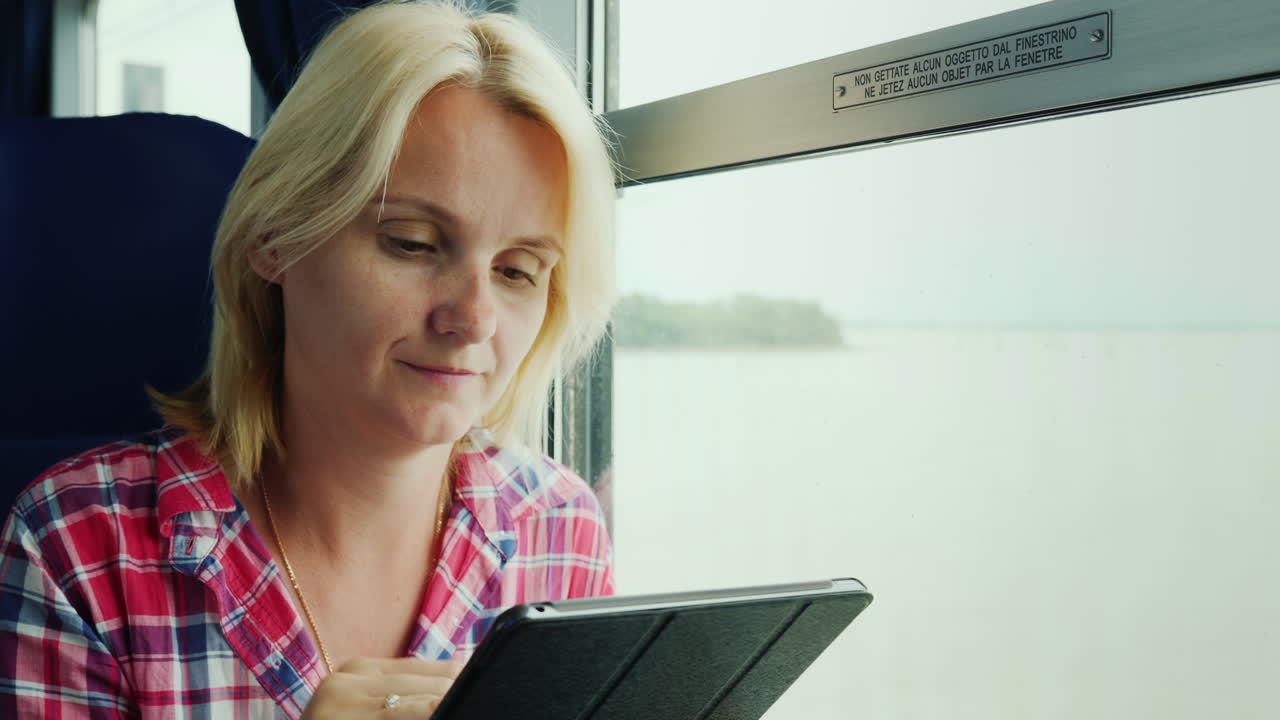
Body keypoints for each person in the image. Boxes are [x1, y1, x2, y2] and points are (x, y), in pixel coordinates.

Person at [0, 1, 617, 716]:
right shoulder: (78, 545)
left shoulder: (561, 528)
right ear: (277, 236)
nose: (473, 319)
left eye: (518, 271)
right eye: (413, 243)